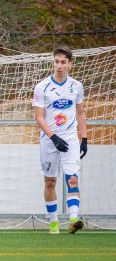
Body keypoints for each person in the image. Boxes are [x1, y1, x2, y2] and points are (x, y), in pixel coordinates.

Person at [32, 46, 87, 234]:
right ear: (53, 62)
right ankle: (53, 222)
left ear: (71, 64)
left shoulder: (76, 86)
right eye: (56, 61)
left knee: (72, 179)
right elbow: (39, 116)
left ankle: (73, 220)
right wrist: (53, 136)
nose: (59, 66)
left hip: (70, 139)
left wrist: (84, 137)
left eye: (63, 62)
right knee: (50, 182)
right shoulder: (42, 87)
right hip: (49, 140)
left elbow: (80, 112)